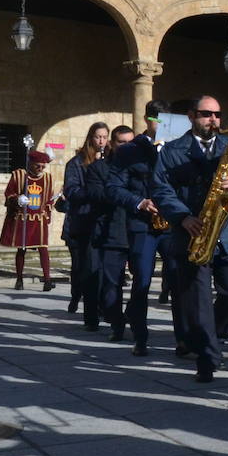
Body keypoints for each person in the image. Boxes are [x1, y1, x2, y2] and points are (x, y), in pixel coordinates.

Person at [152, 96, 228, 383]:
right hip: (192, 232)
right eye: (206, 114)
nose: (213, 120)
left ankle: (214, 337)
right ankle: (208, 357)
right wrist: (183, 217)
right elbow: (160, 190)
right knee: (198, 299)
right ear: (191, 116)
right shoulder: (172, 151)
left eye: (217, 115)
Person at [104, 100, 173, 356]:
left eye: (167, 121)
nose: (162, 126)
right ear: (147, 120)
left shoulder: (177, 147)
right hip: (143, 224)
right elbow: (113, 188)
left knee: (179, 279)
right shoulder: (130, 150)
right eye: (157, 120)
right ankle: (140, 337)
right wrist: (140, 202)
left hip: (172, 223)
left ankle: (185, 338)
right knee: (142, 280)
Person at [88, 126, 137, 343]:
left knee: (142, 280)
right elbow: (96, 194)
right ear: (112, 144)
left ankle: (133, 316)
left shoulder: (142, 168)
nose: (126, 146)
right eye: (121, 142)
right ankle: (116, 323)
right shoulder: (99, 168)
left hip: (138, 231)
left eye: (130, 142)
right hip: (112, 233)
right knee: (110, 285)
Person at [62, 122, 109, 327]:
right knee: (89, 268)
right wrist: (93, 191)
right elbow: (71, 191)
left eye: (105, 137)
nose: (101, 141)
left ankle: (106, 308)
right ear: (91, 138)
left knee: (107, 270)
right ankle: (90, 314)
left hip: (106, 221)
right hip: (85, 221)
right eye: (98, 137)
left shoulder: (111, 161)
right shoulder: (77, 163)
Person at [0, 149, 57, 291]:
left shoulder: (48, 178)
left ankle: (47, 280)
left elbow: (49, 200)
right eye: (38, 166)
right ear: (30, 163)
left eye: (43, 166)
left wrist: (48, 214)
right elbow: (9, 194)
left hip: (39, 219)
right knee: (22, 249)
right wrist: (17, 199)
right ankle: (19, 279)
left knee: (44, 249)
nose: (41, 169)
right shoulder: (19, 176)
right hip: (23, 219)